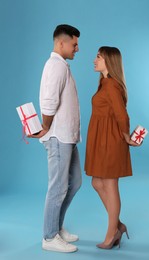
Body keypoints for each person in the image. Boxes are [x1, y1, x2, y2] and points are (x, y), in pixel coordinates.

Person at [29, 24, 82, 253]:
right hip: (58, 136)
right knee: (58, 187)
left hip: (67, 136)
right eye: (74, 43)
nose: (77, 48)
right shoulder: (56, 66)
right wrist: (46, 126)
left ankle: (56, 227)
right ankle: (49, 237)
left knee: (75, 182)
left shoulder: (61, 65)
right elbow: (49, 100)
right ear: (61, 43)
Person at [85, 46, 140, 249]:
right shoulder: (104, 83)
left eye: (98, 57)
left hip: (111, 141)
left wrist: (126, 136)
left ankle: (111, 234)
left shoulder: (111, 85)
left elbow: (122, 115)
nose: (94, 60)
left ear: (109, 61)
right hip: (102, 141)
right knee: (97, 183)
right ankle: (117, 225)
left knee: (109, 185)